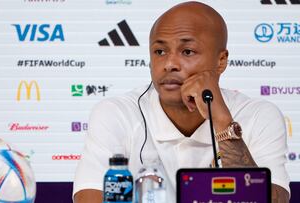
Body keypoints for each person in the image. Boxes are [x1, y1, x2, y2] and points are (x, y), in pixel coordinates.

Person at [73, 1, 290, 202]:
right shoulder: (116, 113)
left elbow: (274, 199)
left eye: (187, 51)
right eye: (159, 51)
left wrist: (223, 123)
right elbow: (88, 197)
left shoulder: (259, 115)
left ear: (221, 61)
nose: (169, 64)